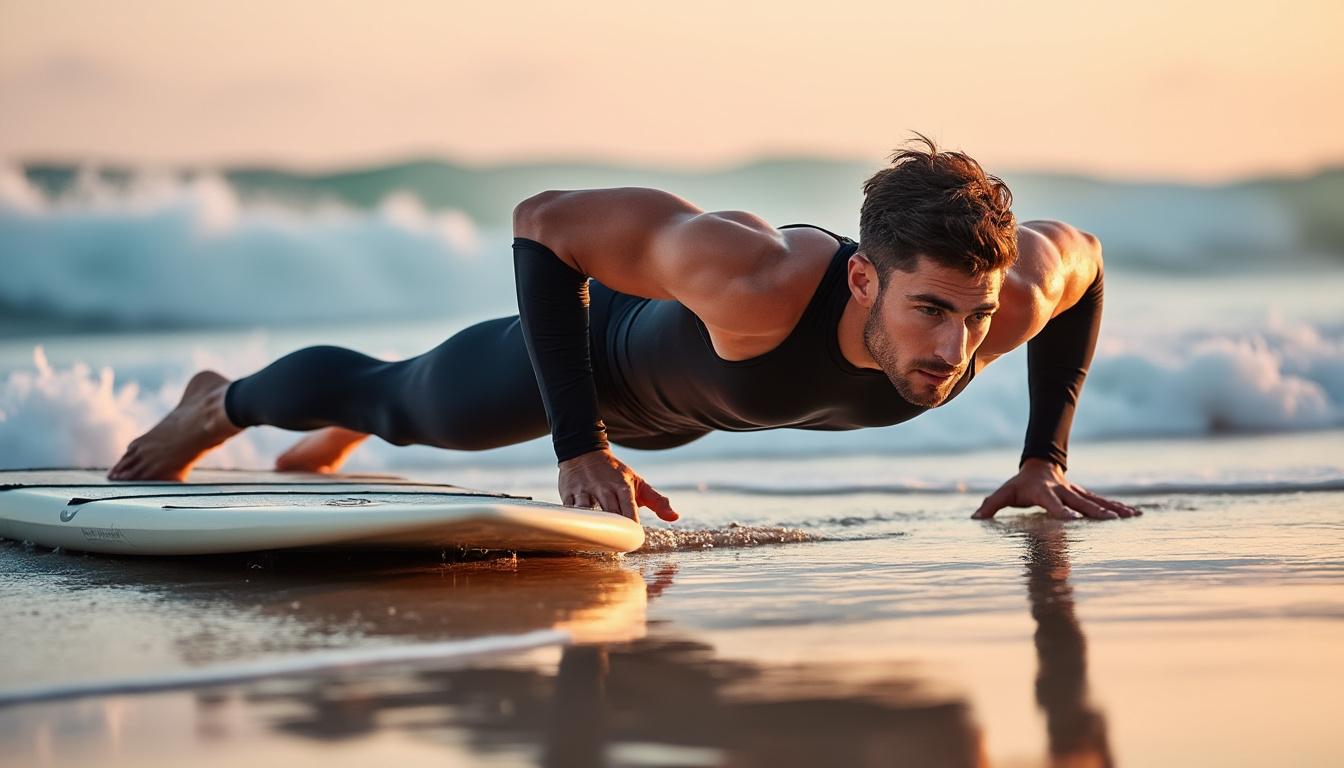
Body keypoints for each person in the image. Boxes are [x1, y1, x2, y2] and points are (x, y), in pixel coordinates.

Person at [108, 136, 1140, 522]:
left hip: (693, 411)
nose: (954, 349)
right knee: (400, 402)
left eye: (970, 317)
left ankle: (344, 435)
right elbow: (542, 225)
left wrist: (1043, 456)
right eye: (928, 311)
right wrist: (577, 443)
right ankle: (220, 402)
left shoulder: (998, 300)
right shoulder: (751, 274)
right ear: (864, 279)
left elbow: (1083, 256)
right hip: (600, 367)